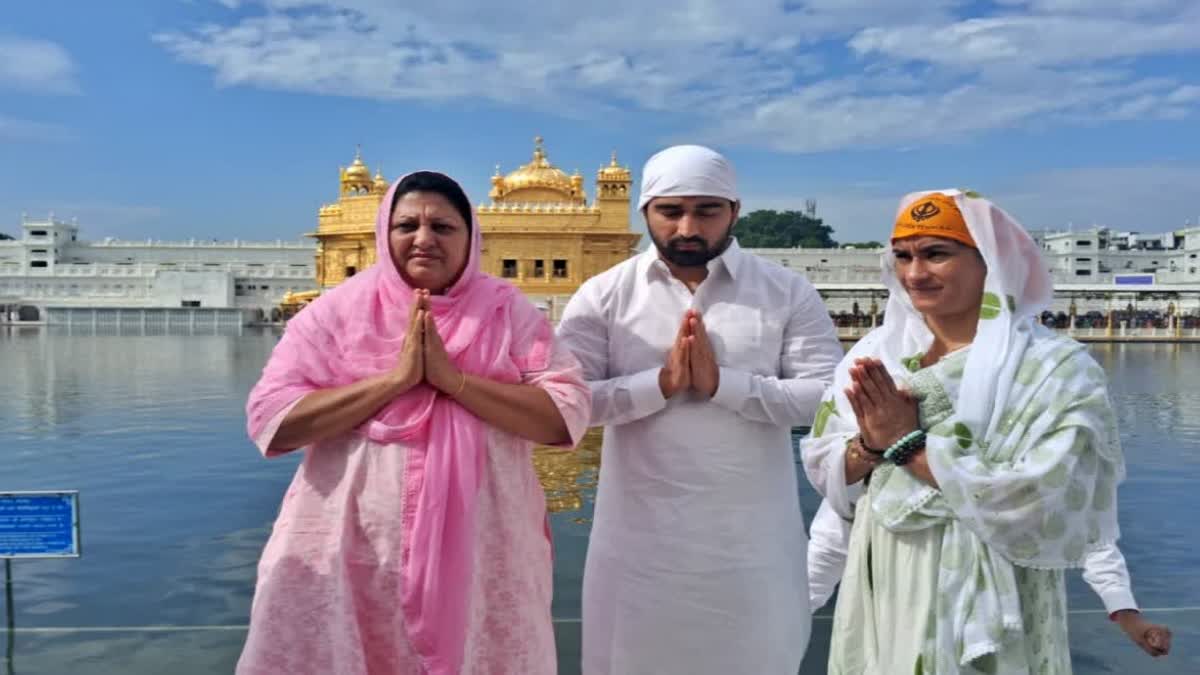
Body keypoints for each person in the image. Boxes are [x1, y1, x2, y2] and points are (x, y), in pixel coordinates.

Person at [239, 171, 591, 675]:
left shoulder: (506, 314)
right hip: (353, 550)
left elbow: (567, 416)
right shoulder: (336, 313)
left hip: (482, 554)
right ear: (385, 233)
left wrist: (454, 381)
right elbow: (270, 421)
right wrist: (396, 379)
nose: (424, 239)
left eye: (443, 227)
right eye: (407, 225)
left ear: (472, 240)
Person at [801, 189, 1128, 673]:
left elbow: (1045, 493)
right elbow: (826, 463)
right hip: (888, 567)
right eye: (904, 257)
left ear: (988, 262)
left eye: (937, 254)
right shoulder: (878, 353)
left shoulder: (1053, 367)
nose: (915, 273)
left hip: (1000, 581)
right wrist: (872, 444)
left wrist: (908, 446)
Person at [556, 144, 844, 674]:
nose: (688, 226)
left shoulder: (785, 292)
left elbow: (825, 397)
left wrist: (725, 385)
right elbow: (569, 404)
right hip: (639, 547)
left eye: (707, 210)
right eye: (671, 211)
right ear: (645, 213)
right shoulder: (603, 296)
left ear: (734, 211)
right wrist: (658, 384)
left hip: (751, 546)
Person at [806, 499, 1172, 658]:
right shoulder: (883, 437)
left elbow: (1084, 527)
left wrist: (1125, 612)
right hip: (902, 634)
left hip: (1013, 634)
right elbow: (831, 541)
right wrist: (790, 615)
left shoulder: (1032, 443)